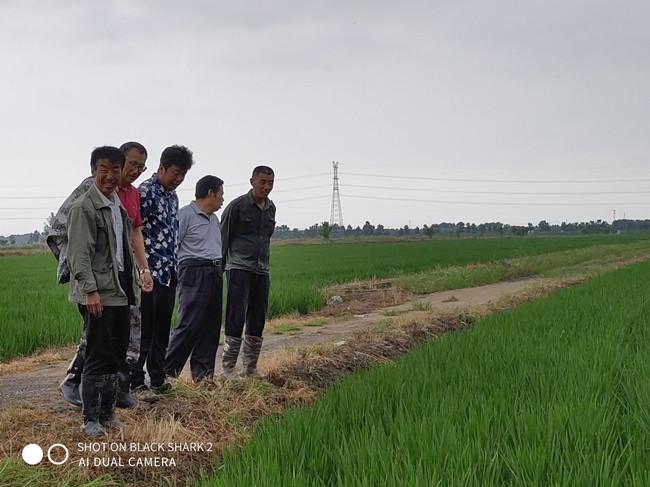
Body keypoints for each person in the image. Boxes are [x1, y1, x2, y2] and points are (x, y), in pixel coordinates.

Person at [51, 142, 153, 408]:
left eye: (141, 167)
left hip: (122, 275)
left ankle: (116, 392)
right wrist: (83, 277)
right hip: (96, 277)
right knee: (97, 338)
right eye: (132, 164)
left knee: (123, 337)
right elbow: (66, 231)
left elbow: (134, 232)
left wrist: (143, 269)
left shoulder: (129, 196)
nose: (135, 171)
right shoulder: (91, 190)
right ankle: (78, 388)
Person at [66, 146, 140, 437]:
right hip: (98, 290)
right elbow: (78, 254)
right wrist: (90, 291)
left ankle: (108, 415)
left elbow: (124, 252)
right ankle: (90, 419)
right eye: (103, 170)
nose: (109, 176)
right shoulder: (84, 207)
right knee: (97, 353)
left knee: (115, 354)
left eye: (115, 170)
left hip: (119, 289)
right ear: (93, 171)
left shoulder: (117, 206)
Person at [132, 145, 194, 395]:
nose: (178, 179)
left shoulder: (173, 197)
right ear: (161, 168)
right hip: (149, 273)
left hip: (168, 272)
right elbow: (134, 231)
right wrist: (142, 270)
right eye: (175, 173)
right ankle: (136, 381)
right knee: (144, 330)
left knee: (161, 329)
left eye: (183, 175)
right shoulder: (145, 192)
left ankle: (157, 378)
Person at [164, 176, 225, 382]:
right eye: (221, 194)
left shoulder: (214, 219)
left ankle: (203, 376)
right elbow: (172, 247)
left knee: (211, 326)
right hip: (193, 272)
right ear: (210, 193)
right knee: (189, 324)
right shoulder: (185, 215)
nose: (222, 199)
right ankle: (168, 374)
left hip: (215, 271)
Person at [220, 166, 276, 379]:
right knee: (235, 315)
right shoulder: (237, 206)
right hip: (239, 267)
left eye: (270, 183)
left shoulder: (271, 208)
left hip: (261, 268)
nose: (267, 187)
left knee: (258, 316)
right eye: (263, 182)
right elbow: (223, 239)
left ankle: (250, 368)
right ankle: (228, 369)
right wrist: (220, 269)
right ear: (252, 181)